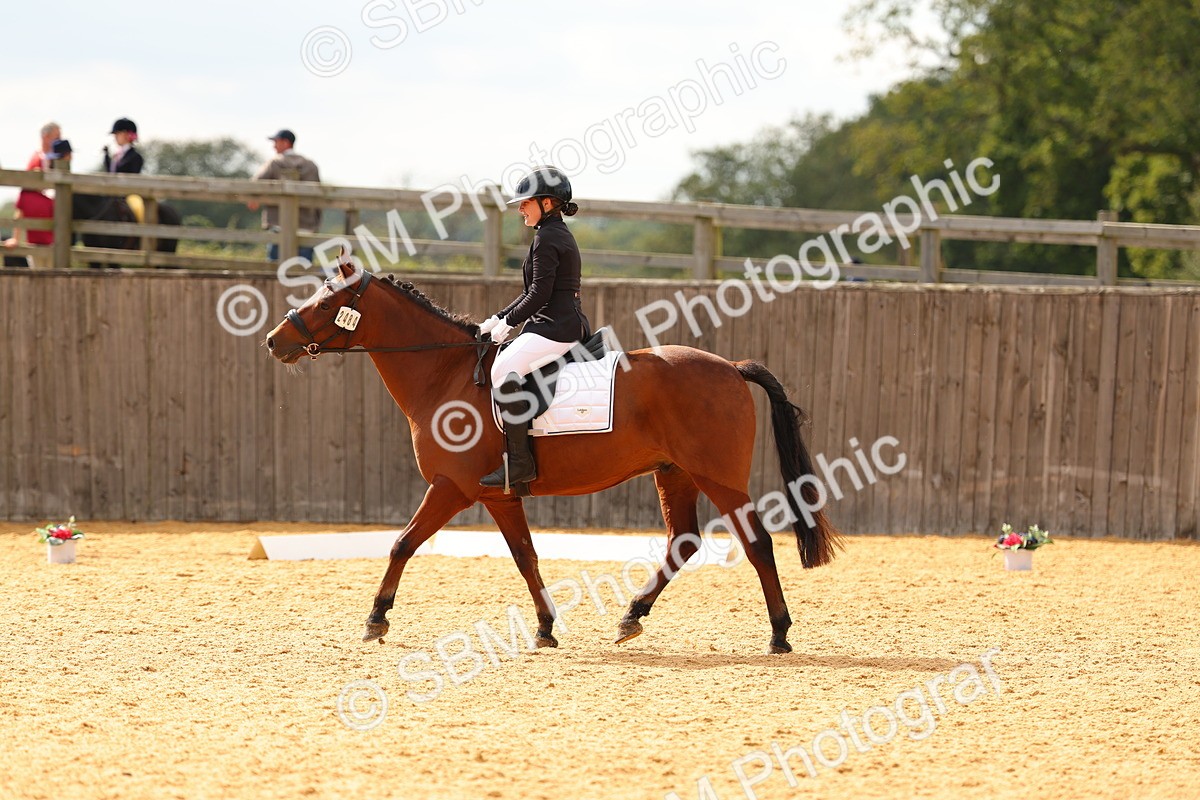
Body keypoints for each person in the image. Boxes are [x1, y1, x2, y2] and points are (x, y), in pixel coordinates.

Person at [478, 166, 589, 489]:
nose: (520, 209)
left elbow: (540, 294)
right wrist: (499, 318)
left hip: (558, 327)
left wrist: (508, 325)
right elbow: (532, 293)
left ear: (548, 203)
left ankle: (520, 463)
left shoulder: (547, 238)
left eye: (525, 203)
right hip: (555, 322)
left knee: (503, 370)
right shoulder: (552, 234)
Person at [249, 129, 321, 261]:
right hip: (306, 226)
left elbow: (255, 184)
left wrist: (254, 198)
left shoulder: (275, 162)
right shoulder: (311, 165)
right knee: (304, 273)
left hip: (279, 225)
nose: (274, 146)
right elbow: (319, 197)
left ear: (286, 143)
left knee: (275, 272)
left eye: (276, 142)